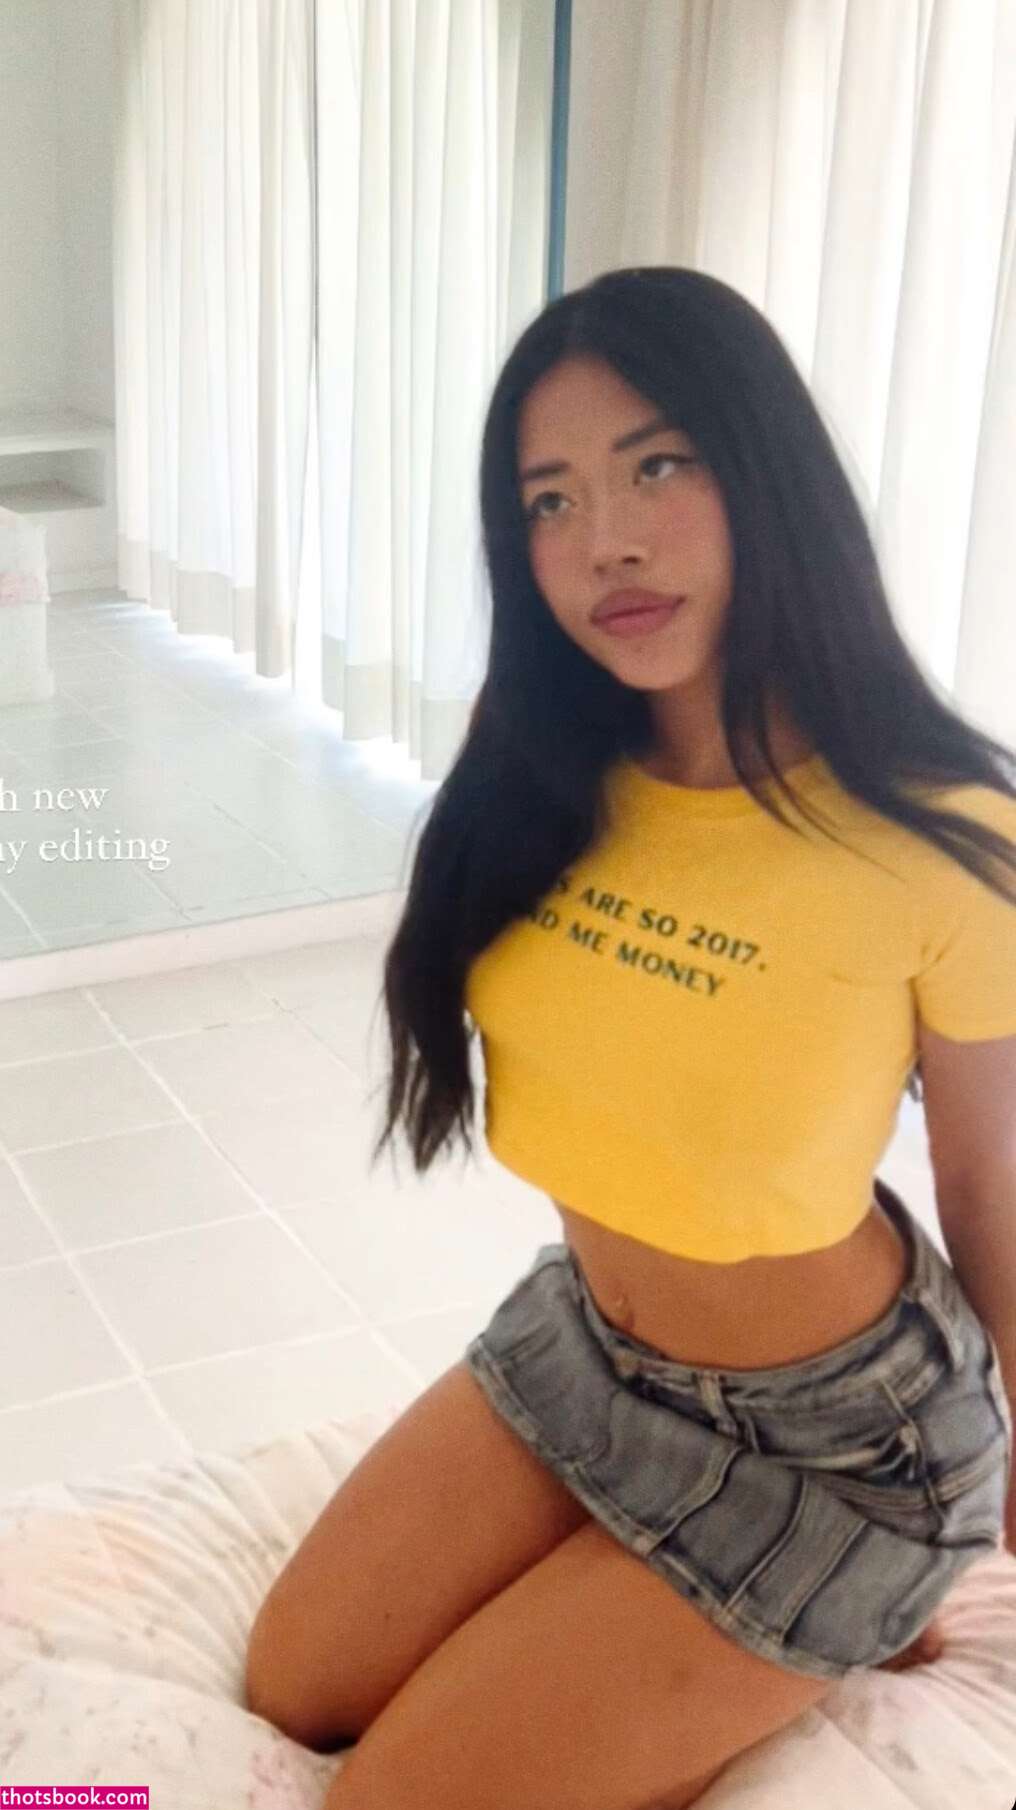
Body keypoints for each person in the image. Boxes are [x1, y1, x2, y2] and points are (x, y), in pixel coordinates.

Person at [245, 267, 1016, 1810]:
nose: (606, 539)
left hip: (841, 1448)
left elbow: (992, 1182)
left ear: (766, 472)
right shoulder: (537, 763)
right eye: (551, 498)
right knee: (294, 1686)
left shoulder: (942, 833)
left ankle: (852, 1604)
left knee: (381, 1801)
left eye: (659, 465)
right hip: (589, 1345)